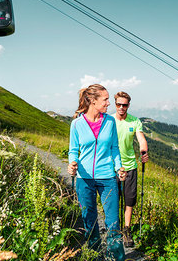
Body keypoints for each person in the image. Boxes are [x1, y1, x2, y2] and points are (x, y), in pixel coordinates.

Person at [67, 84, 127, 260]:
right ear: (93, 101)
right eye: (106, 99)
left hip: (108, 177)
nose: (109, 103)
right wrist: (72, 163)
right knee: (89, 220)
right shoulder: (76, 124)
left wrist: (119, 168)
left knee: (113, 222)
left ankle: (117, 257)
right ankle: (94, 255)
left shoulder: (110, 122)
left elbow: (114, 148)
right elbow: (73, 149)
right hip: (84, 179)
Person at [112, 91, 148, 248]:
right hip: (112, 166)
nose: (121, 107)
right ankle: (113, 228)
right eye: (118, 104)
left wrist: (143, 152)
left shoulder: (135, 121)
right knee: (114, 199)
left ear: (128, 105)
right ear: (115, 104)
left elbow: (141, 139)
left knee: (129, 199)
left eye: (124, 105)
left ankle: (126, 230)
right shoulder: (109, 121)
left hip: (130, 166)